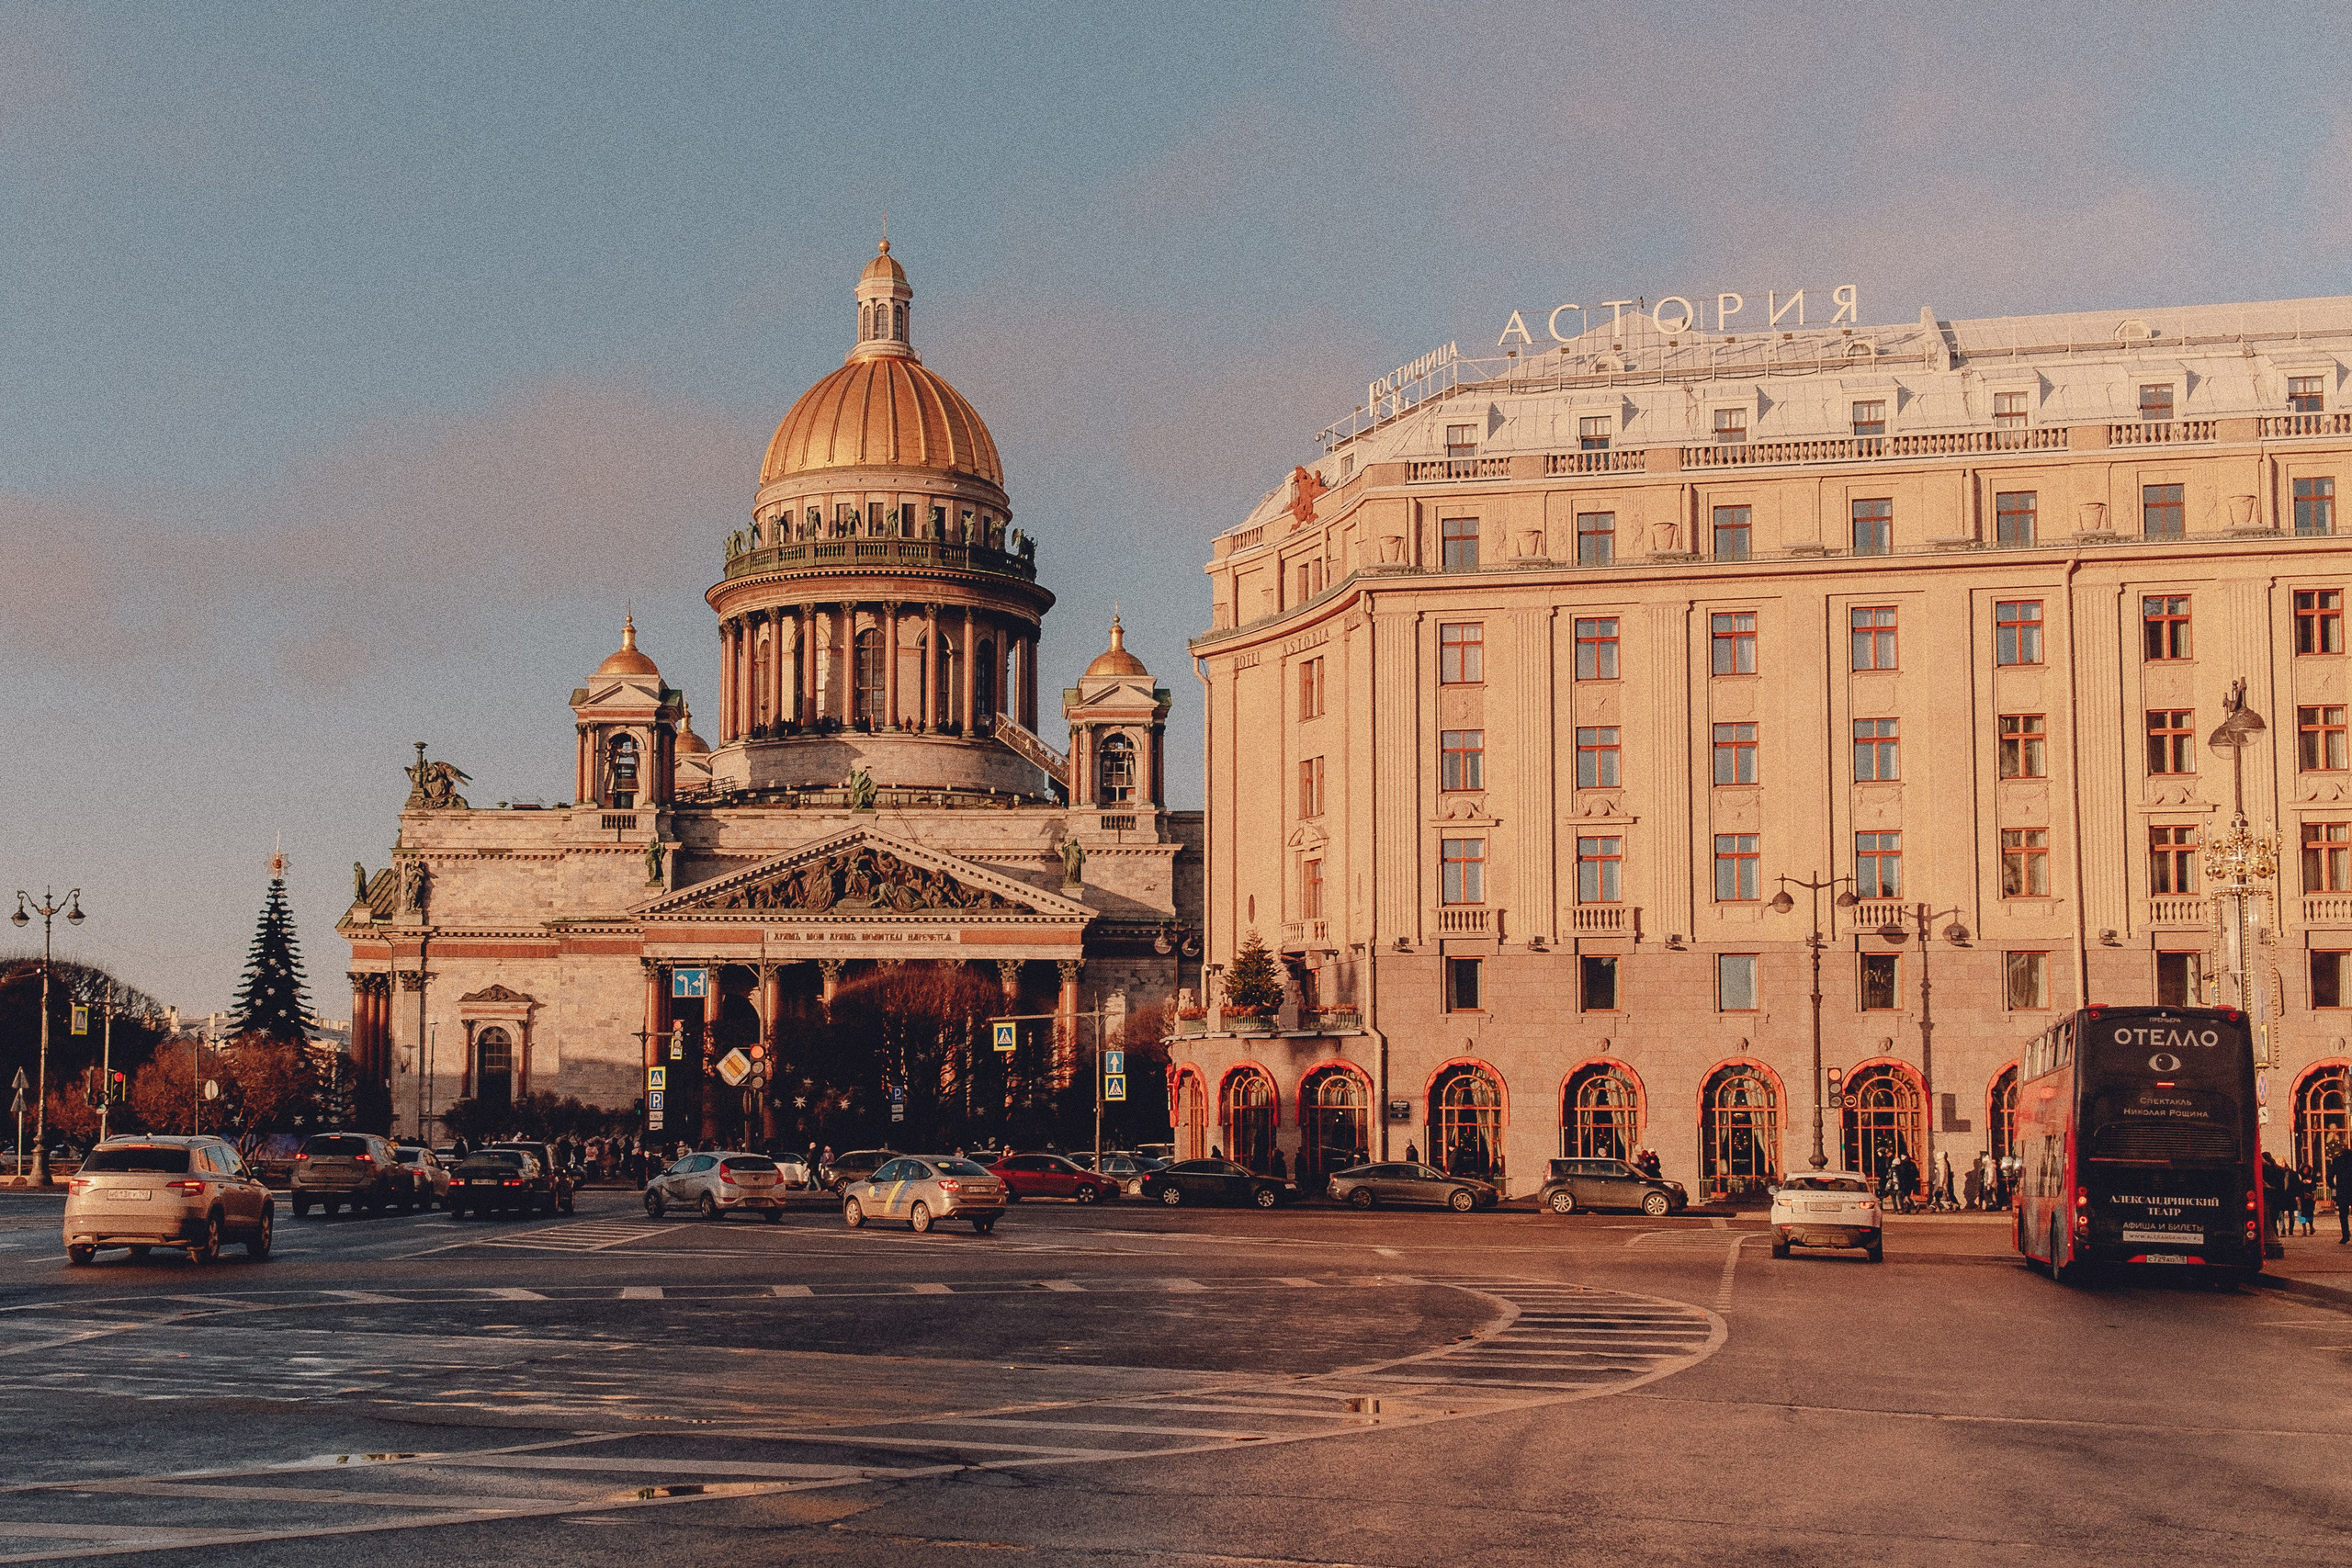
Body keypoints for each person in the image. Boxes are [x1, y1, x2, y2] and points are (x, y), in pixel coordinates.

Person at [2331, 1140, 2352, 1245]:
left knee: (2343, 1214)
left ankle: (2346, 1235)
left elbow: (2329, 1176)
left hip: (2343, 1190)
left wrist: (2333, 1187)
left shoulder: (2337, 1161)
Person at [2296, 1164, 2319, 1236]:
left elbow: (2315, 1187)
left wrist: (2312, 1183)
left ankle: (2311, 1227)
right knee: (2302, 1213)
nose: (2306, 1171)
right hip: (2302, 1197)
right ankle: (2304, 1229)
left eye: (2307, 1170)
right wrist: (2303, 1182)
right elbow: (2297, 1186)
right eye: (2305, 1170)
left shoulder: (2311, 1177)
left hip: (2310, 1197)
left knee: (2310, 1213)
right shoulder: (2299, 1177)